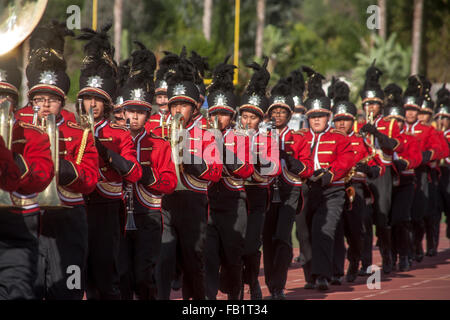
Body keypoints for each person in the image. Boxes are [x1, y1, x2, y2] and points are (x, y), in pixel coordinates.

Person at [17, 22, 99, 300]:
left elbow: (89, 179)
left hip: (68, 215)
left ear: (62, 101)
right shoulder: (17, 128)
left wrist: (64, 169)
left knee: (69, 284)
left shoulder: (79, 131)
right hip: (26, 215)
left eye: (51, 99)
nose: (44, 105)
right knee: (29, 284)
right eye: (38, 99)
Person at [77, 24, 142, 300]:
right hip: (75, 209)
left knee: (106, 277)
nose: (92, 104)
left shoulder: (118, 134)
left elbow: (134, 172)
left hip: (105, 210)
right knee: (79, 277)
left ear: (107, 103)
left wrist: (104, 152)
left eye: (97, 99)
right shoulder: (69, 128)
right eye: (87, 98)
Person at [157, 56, 222, 300]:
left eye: (183, 105)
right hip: (165, 200)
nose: (177, 111)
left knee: (193, 260)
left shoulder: (207, 132)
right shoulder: (158, 130)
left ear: (194, 108)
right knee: (163, 258)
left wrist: (188, 158)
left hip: (194, 201)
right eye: (174, 105)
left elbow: (214, 172)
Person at [118, 42, 177, 300]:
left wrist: (149, 177)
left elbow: (170, 182)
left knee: (144, 276)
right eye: (130, 111)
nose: (134, 117)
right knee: (121, 275)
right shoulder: (113, 140)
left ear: (147, 114)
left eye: (140, 113)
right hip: (117, 215)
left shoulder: (160, 144)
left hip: (149, 216)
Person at [0, 50, 54, 300]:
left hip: (17, 223)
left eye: (5, 97)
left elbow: (42, 175)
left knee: (19, 291)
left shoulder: (32, 133)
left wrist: (16, 164)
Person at [297, 67, 354, 291]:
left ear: (328, 116)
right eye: (313, 116)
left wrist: (332, 172)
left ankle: (322, 275)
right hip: (306, 190)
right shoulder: (299, 137)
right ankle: (310, 274)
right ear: (308, 117)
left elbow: (348, 157)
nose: (317, 119)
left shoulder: (338, 138)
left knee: (325, 229)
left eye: (320, 116)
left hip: (332, 190)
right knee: (304, 234)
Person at [203, 56, 255, 300]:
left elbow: (245, 170)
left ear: (231, 115)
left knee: (233, 258)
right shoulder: (200, 135)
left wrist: (220, 144)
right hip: (208, 203)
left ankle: (236, 296)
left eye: (224, 114)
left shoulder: (242, 137)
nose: (219, 119)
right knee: (209, 257)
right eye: (215, 113)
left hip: (234, 203)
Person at [263, 67, 314, 299]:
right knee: (267, 239)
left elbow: (307, 168)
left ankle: (278, 285)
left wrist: (287, 156)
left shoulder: (299, 137)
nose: (279, 115)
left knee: (282, 237)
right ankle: (270, 281)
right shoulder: (260, 136)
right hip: (265, 191)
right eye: (275, 110)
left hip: (289, 190)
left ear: (289, 114)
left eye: (283, 111)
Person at [329, 78, 385, 283]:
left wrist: (369, 169)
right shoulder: (327, 138)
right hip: (333, 188)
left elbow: (379, 164)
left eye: (345, 119)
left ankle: (354, 261)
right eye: (338, 119)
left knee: (355, 231)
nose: (341, 123)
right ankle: (335, 271)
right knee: (334, 229)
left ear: (353, 120)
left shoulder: (362, 138)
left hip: (356, 189)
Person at [237, 59, 281, 300]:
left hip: (256, 195)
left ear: (260, 118)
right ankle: (237, 286)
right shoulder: (232, 135)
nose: (247, 121)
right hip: (236, 194)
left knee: (252, 244)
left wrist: (253, 158)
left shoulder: (269, 136)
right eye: (244, 116)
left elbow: (272, 168)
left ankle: (253, 282)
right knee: (234, 244)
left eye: (252, 117)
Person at [357, 61, 404, 274]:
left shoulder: (390, 124)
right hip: (364, 174)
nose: (370, 108)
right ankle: (366, 263)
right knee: (364, 220)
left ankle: (388, 257)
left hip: (383, 174)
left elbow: (393, 146)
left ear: (381, 105)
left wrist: (376, 132)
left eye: (374, 103)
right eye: (367, 103)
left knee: (382, 218)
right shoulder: (357, 125)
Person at [402, 76, 442, 264]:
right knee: (404, 215)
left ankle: (418, 244)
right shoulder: (398, 129)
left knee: (419, 213)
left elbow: (441, 148)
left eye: (413, 110)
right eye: (407, 109)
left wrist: (427, 155)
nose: (410, 113)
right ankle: (407, 249)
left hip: (422, 174)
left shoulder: (427, 130)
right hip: (402, 174)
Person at [383, 84, 422, 272]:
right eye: (390, 119)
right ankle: (388, 256)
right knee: (385, 221)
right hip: (385, 184)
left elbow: (417, 157)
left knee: (400, 219)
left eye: (397, 120)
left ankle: (404, 254)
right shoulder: (380, 139)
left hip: (405, 183)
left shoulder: (409, 138)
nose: (394, 123)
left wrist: (404, 163)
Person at [434, 85, 450, 240]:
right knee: (434, 208)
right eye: (438, 117)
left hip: (448, 172)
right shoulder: (434, 133)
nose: (441, 121)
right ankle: (433, 242)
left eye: (444, 118)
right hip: (436, 173)